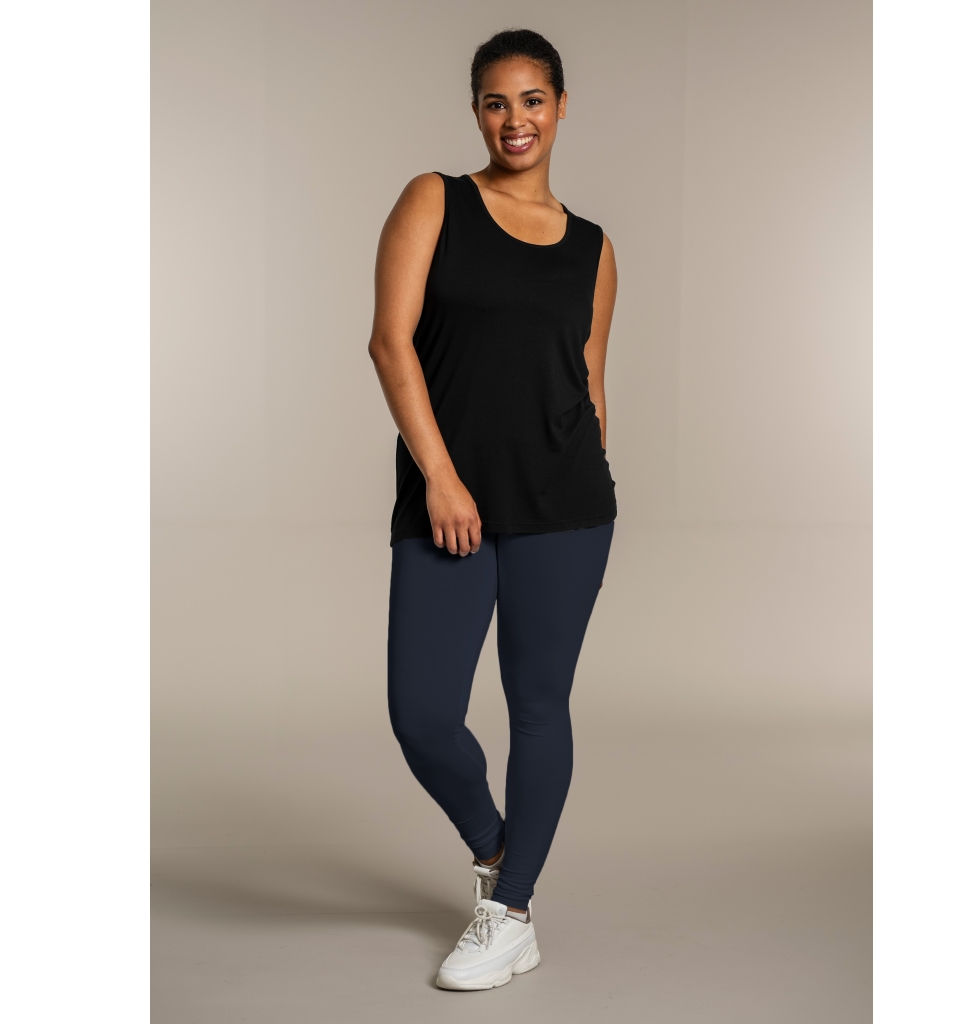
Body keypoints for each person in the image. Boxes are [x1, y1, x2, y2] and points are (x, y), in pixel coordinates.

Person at [368, 28, 618, 991]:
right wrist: (438, 474)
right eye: (496, 102)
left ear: (561, 107)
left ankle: (509, 914)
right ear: (477, 111)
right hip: (452, 501)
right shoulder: (434, 200)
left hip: (566, 505)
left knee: (539, 706)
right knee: (423, 712)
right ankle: (499, 851)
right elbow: (391, 343)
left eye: (533, 99)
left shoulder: (593, 247)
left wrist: (595, 475)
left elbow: (589, 381)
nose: (516, 120)